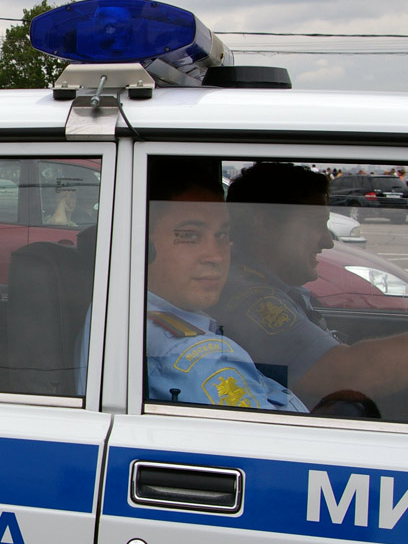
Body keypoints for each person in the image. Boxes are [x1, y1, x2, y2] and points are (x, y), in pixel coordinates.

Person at [210, 162, 399, 407]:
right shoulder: (250, 300)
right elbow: (344, 377)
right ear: (265, 224)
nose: (327, 242)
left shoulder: (271, 287)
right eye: (316, 224)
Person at [144, 168, 307, 412]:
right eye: (189, 236)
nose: (216, 256)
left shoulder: (120, 310)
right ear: (142, 244)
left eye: (222, 235)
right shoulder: (195, 356)